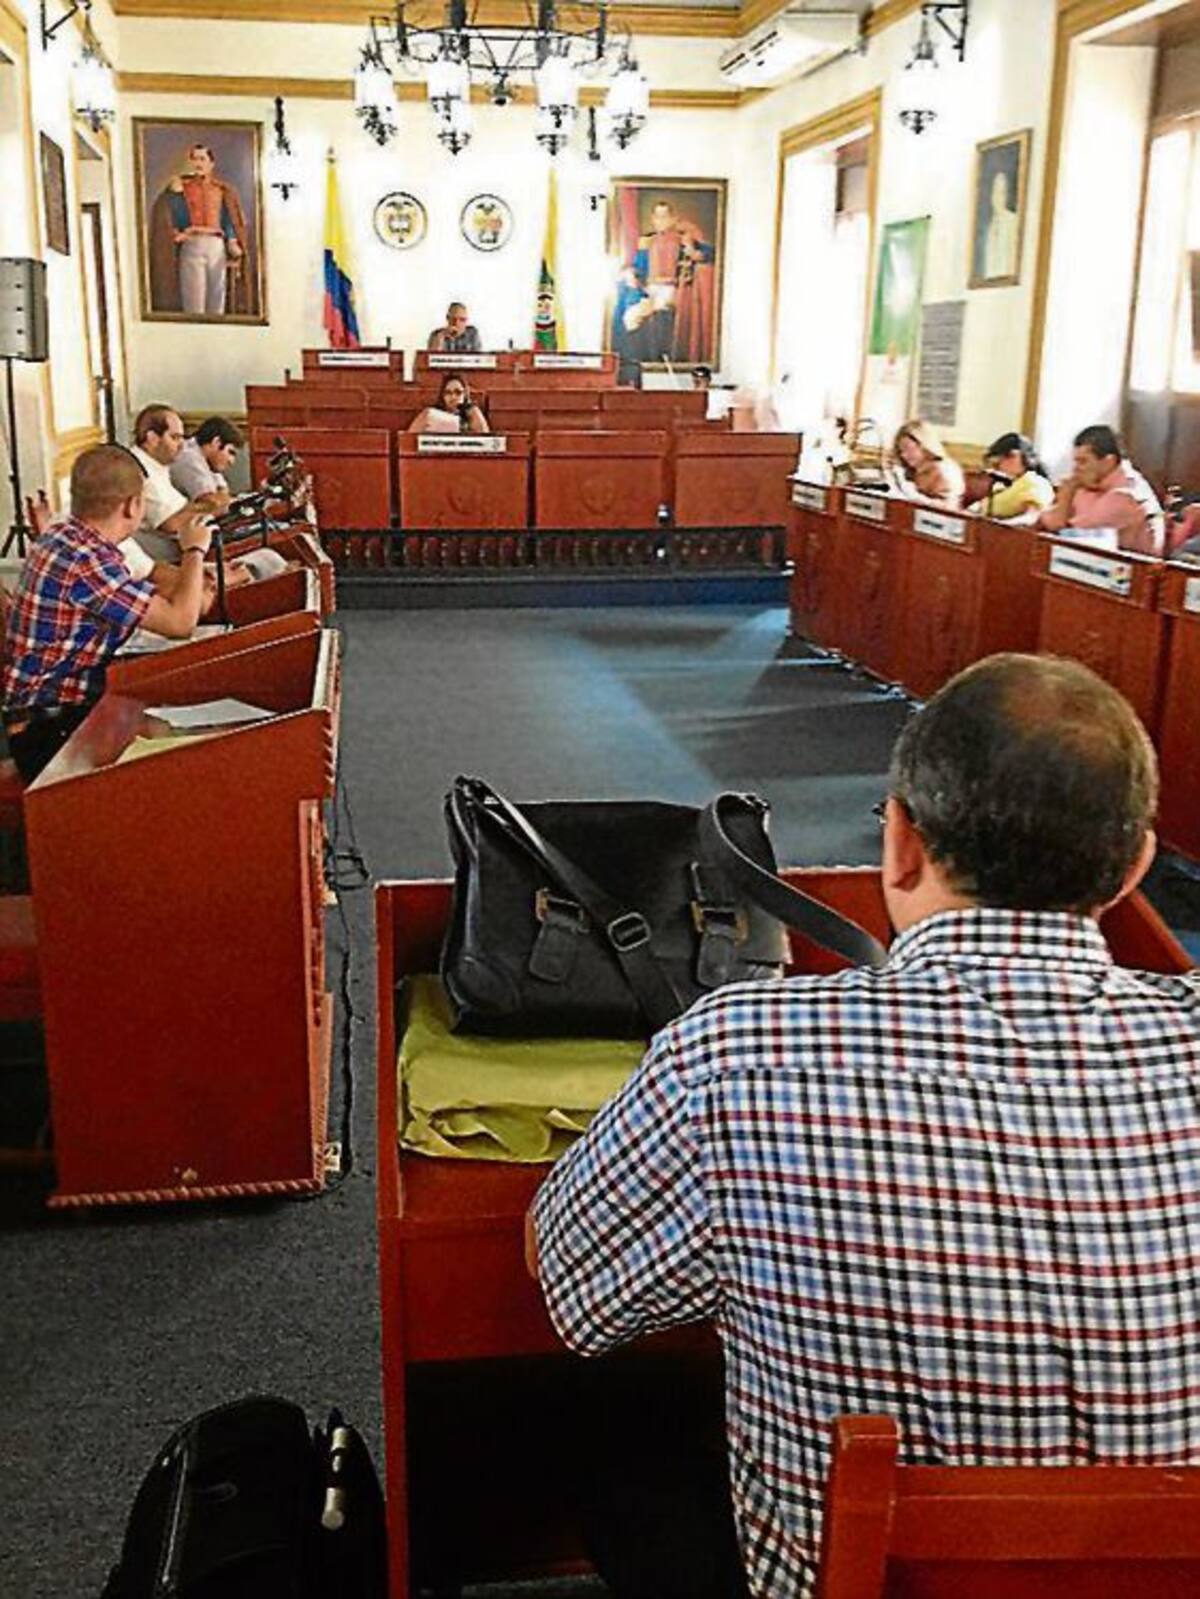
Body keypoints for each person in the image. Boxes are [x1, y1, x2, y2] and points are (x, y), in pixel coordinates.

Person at [529, 652, 1200, 1599]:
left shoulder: (739, 1052)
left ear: (901, 843)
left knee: (610, 1405)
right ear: (1135, 866)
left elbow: (571, 1286)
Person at [1, 446, 213, 781]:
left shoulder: (64, 535)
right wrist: (194, 550)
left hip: (48, 711)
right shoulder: (88, 559)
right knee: (181, 765)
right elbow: (179, 623)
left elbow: (148, 600)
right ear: (132, 505)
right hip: (50, 728)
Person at [613, 198, 717, 370]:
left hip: (673, 291)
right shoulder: (647, 242)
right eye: (657, 217)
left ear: (673, 219)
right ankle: (633, 362)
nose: (661, 221)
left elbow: (709, 253)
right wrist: (631, 273)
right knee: (630, 317)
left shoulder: (684, 238)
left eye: (665, 216)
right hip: (650, 290)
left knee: (653, 314)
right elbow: (638, 266)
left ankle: (655, 358)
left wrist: (694, 253)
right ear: (653, 219)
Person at [148, 143, 250, 318]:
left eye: (202, 159)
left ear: (211, 163)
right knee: (194, 302)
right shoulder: (181, 187)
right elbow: (173, 217)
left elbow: (228, 219)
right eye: (194, 159)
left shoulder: (221, 190)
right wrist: (176, 200)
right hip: (193, 244)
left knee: (217, 300)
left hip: (216, 245)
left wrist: (232, 240)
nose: (198, 163)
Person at [1038, 424, 1165, 556]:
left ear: (1108, 461)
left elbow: (1062, 533)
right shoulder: (1090, 484)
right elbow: (1047, 520)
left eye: (1083, 461)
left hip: (1133, 572)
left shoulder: (1125, 496)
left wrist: (1065, 495)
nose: (1075, 469)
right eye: (1075, 461)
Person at [967, 431, 1054, 520]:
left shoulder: (1036, 483)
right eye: (1000, 456)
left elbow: (1031, 517)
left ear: (1026, 458)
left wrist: (1001, 525)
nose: (1001, 461)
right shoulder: (1004, 483)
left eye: (1010, 456)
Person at [891, 418, 966, 506]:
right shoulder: (912, 470)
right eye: (901, 451)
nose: (903, 455)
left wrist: (916, 497)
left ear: (924, 445)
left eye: (907, 448)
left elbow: (949, 508)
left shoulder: (946, 471)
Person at [170, 416, 243, 500]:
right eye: (230, 452)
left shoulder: (209, 462)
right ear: (216, 442)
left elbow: (223, 492)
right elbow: (211, 504)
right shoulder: (188, 458)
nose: (231, 461)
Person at [407, 373, 489, 436]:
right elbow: (409, 440)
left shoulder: (473, 412)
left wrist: (473, 414)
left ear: (465, 394)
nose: (453, 397)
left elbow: (486, 441)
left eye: (458, 392)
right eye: (448, 393)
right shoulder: (430, 416)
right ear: (442, 396)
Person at [981, 168, 1019, 281]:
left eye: (1001, 193)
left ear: (1006, 196)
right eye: (995, 192)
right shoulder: (990, 225)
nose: (998, 198)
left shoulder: (1013, 221)